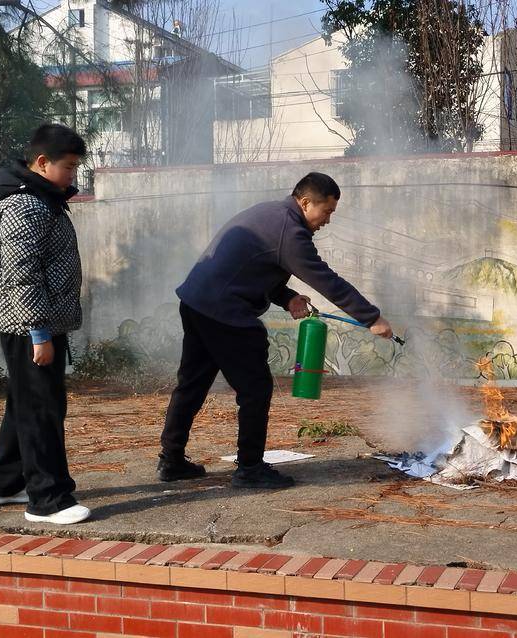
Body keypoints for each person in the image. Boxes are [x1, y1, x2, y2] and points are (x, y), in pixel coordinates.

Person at [158, 172, 393, 489]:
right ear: (306, 202)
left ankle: (171, 461)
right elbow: (325, 279)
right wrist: (371, 317)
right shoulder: (290, 231)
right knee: (255, 389)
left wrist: (287, 297)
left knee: (191, 385)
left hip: (198, 302)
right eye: (327, 211)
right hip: (224, 312)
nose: (328, 220)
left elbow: (250, 267)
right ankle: (250, 469)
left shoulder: (272, 215)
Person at [0, 123, 90, 525]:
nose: (74, 174)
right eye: (70, 166)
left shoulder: (42, 198)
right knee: (42, 408)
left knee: (26, 403)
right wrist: (39, 332)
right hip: (29, 326)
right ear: (42, 163)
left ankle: (3, 483)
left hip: (36, 322)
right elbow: (21, 273)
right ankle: (48, 499)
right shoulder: (24, 206)